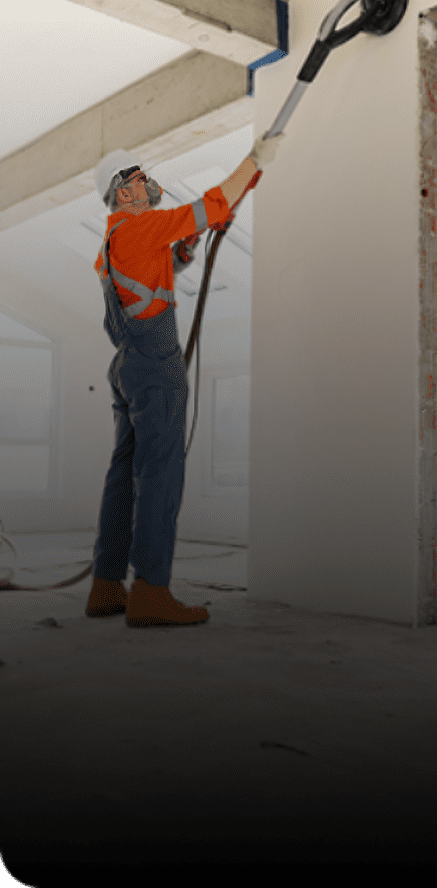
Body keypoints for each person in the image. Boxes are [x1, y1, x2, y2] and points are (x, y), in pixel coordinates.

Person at [85, 133, 284, 626]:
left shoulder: (112, 243)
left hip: (126, 366)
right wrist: (255, 159)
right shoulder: (141, 225)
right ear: (123, 191)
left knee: (122, 476)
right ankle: (151, 592)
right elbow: (211, 204)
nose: (148, 182)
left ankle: (106, 586)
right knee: (159, 474)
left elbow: (146, 279)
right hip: (155, 366)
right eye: (138, 177)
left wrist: (182, 255)